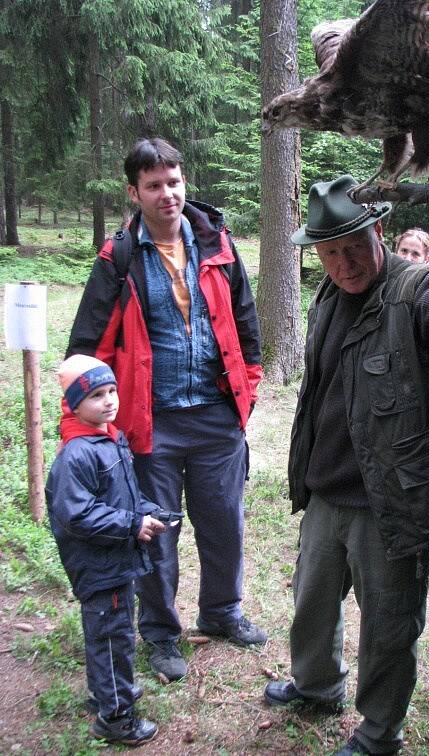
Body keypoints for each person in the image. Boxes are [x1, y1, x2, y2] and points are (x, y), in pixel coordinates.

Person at [263, 175, 429, 755]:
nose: (345, 262)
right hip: (326, 489)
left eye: (354, 246)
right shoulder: (329, 297)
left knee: (389, 625)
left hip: (392, 499)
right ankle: (317, 686)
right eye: (331, 252)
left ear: (377, 230)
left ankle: (379, 732)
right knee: (311, 605)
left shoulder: (414, 289)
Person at [67, 138, 266, 682]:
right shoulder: (120, 257)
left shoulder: (216, 242)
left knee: (224, 521)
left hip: (217, 415)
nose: (167, 194)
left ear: (184, 184)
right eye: (154, 185)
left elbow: (245, 319)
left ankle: (222, 612)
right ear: (134, 192)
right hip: (148, 421)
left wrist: (248, 382)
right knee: (157, 530)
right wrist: (92, 419)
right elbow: (86, 345)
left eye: (174, 182)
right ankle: (159, 632)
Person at [45, 354, 166, 746]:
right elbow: (76, 515)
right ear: (74, 404)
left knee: (111, 630)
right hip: (100, 564)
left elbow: (122, 497)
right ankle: (115, 717)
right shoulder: (77, 454)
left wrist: (146, 511)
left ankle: (108, 693)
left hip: (116, 558)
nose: (109, 400)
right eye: (97, 395)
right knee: (112, 637)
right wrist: (132, 525)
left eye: (112, 391)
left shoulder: (108, 437)